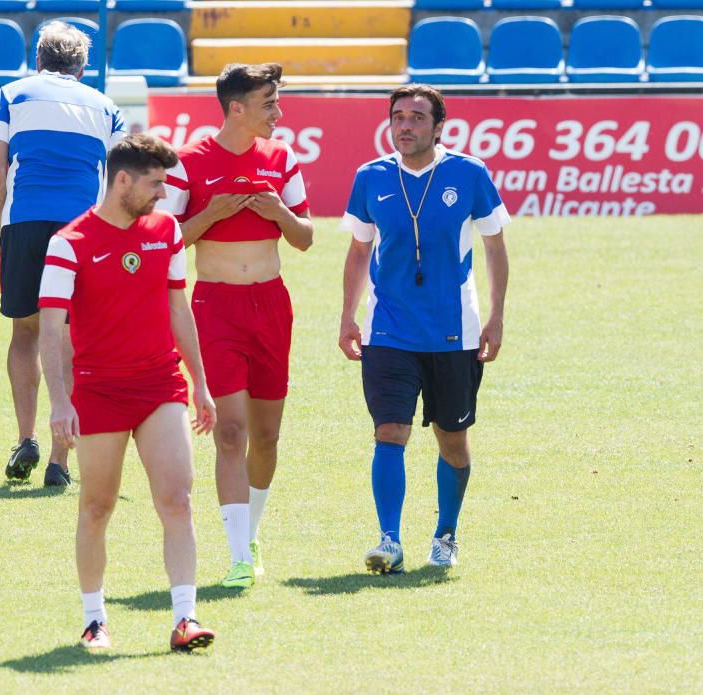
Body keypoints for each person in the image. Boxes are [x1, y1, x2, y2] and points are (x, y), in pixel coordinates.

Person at [39, 133, 217, 652]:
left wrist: (201, 383)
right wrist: (59, 399)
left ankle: (185, 619)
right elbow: (51, 327)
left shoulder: (166, 232)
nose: (163, 195)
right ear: (122, 181)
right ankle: (95, 619)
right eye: (155, 184)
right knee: (96, 506)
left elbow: (178, 310)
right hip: (98, 392)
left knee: (177, 499)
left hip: (161, 385)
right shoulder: (68, 242)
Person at [338, 84, 510, 572]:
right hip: (387, 329)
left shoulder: (469, 173)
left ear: (439, 127)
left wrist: (496, 316)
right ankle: (388, 540)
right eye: (397, 117)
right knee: (389, 431)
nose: (405, 126)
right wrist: (348, 316)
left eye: (416, 117)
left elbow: (495, 246)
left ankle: (446, 534)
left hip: (455, 331)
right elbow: (358, 251)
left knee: (451, 440)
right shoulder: (370, 177)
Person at [158, 63, 313, 589]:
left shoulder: (282, 158)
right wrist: (211, 214)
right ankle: (236, 557)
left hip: (271, 306)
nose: (278, 112)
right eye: (269, 102)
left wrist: (278, 214)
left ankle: (251, 535)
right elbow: (168, 239)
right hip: (214, 308)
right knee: (230, 432)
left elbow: (305, 237)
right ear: (236, 108)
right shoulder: (189, 162)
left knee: (266, 436)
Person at [0, 21, 125, 487]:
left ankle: (25, 436)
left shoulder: (12, 93)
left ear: (38, 60)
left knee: (25, 332)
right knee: (70, 338)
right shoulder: (106, 106)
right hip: (82, 230)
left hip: (26, 221)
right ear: (82, 67)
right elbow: (123, 179)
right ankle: (60, 461)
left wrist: (0, 231)